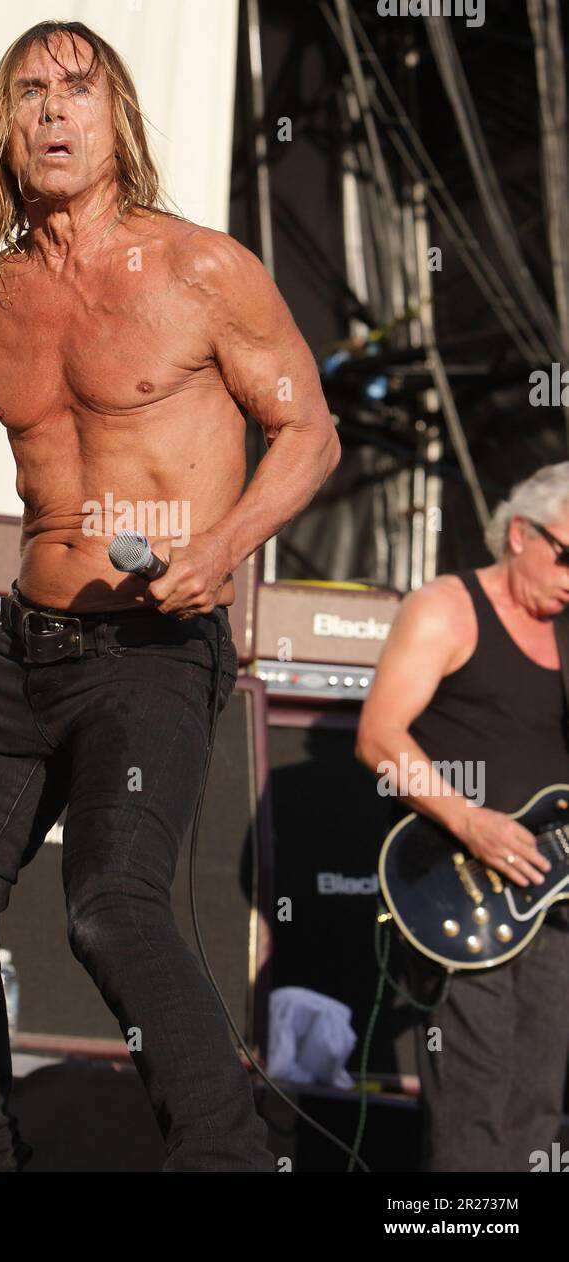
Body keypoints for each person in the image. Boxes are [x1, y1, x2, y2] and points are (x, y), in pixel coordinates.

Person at [0, 20, 340, 1172]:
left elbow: (308, 431)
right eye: (29, 92)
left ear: (116, 121)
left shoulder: (201, 268)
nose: (51, 111)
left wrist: (226, 542)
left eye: (75, 92)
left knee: (110, 904)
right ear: (3, 126)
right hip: (23, 649)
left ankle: (226, 1158)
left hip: (153, 648)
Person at [356, 462, 569, 1172]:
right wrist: (471, 821)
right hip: (463, 883)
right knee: (474, 1094)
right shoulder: (447, 606)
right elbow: (380, 738)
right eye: (566, 554)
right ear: (519, 533)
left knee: (536, 1101)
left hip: (553, 894)